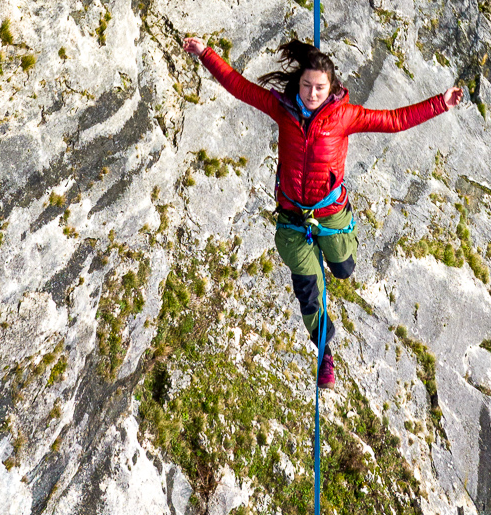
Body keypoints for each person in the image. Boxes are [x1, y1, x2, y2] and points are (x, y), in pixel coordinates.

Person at [182, 34, 464, 390]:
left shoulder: (344, 116)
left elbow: (394, 120)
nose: (312, 94)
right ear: (297, 84)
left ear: (331, 89)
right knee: (308, 290)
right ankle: (325, 352)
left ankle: (340, 255)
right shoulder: (281, 109)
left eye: (319, 88)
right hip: (291, 219)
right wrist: (204, 53)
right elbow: (239, 87)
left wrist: (441, 103)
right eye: (306, 86)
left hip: (330, 213)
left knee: (344, 269)